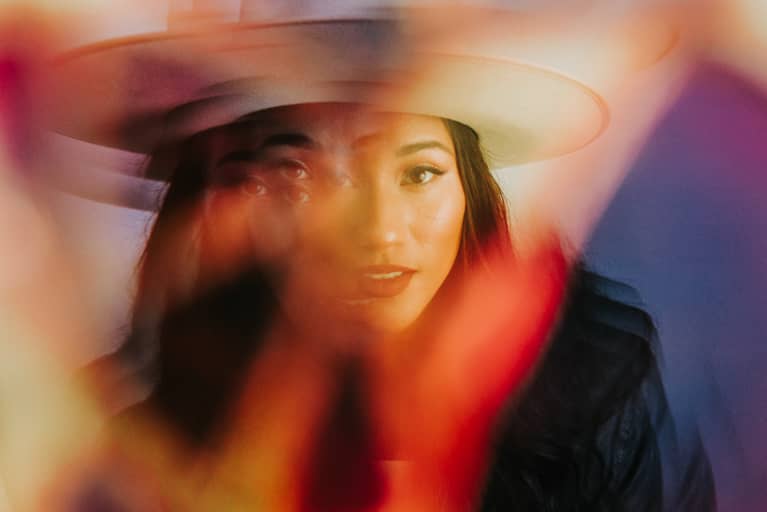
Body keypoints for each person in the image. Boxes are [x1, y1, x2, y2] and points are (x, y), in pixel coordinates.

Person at [48, 8, 715, 512]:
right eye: (299, 172)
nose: (375, 232)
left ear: (470, 190)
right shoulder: (112, 421)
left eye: (419, 173)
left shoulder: (592, 385)